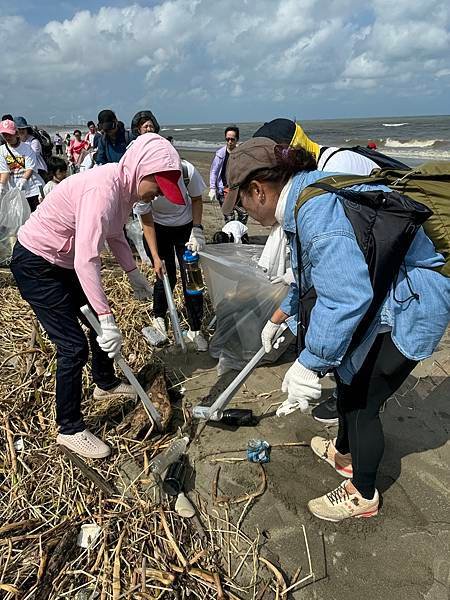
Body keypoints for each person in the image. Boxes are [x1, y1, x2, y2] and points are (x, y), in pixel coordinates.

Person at [223, 137, 449, 522]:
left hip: (411, 306)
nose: (241, 209)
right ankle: (344, 453)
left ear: (257, 190)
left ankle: (362, 493)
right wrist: (281, 317)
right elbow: (315, 277)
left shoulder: (315, 211)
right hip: (388, 298)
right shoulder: (305, 194)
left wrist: (310, 363)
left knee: (361, 400)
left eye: (240, 200)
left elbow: (346, 296)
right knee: (347, 383)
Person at [10, 134, 182, 459]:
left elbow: (115, 234)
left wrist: (133, 274)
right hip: (37, 262)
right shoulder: (103, 190)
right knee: (73, 346)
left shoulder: (124, 190)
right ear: (140, 170)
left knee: (103, 325)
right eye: (157, 186)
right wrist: (103, 316)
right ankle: (70, 429)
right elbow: (86, 258)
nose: (158, 194)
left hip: (61, 261)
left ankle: (105, 383)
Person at [252, 118, 409, 425]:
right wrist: (279, 316)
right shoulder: (306, 186)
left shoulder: (332, 172)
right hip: (369, 273)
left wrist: (310, 364)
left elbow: (346, 285)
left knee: (361, 384)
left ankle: (345, 401)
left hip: (390, 279)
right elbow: (315, 270)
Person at [133, 128, 208, 351]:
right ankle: (159, 317)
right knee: (165, 276)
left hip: (185, 227)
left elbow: (196, 200)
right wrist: (155, 256)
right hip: (157, 229)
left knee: (191, 278)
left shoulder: (187, 171)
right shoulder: (143, 181)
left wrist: (197, 229)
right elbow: (145, 219)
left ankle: (195, 328)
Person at [0, 119, 43, 212]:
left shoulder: (27, 148)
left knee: (34, 215)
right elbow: (5, 171)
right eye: (4, 134)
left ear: (16, 133)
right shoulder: (2, 150)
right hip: (14, 190)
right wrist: (2, 185)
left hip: (32, 189)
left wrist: (23, 180)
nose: (7, 137)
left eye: (10, 134)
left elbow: (30, 168)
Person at [209, 126, 247, 223]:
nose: (230, 142)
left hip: (238, 189)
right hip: (223, 190)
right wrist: (212, 189)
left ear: (237, 140)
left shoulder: (241, 153)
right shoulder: (220, 155)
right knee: (229, 217)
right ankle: (229, 236)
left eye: (232, 139)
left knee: (244, 214)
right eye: (227, 139)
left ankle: (241, 233)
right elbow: (214, 172)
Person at [15, 116, 48, 181]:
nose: (21, 131)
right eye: (19, 129)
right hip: (22, 172)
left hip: (38, 171)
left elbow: (31, 157)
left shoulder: (34, 142)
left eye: (23, 129)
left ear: (27, 129)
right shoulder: (14, 143)